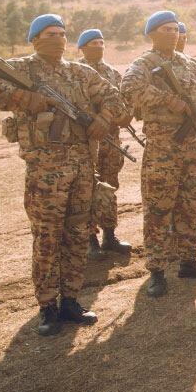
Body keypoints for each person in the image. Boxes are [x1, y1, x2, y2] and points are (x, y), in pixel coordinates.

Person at [0, 14, 125, 335]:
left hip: (82, 169)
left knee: (77, 235)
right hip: (45, 174)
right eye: (51, 33)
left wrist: (103, 118)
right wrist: (24, 97)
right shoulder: (22, 70)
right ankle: (48, 305)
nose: (59, 39)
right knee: (47, 238)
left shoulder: (79, 72)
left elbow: (117, 99)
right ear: (35, 39)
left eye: (63, 34)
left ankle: (71, 300)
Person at [121, 10, 196, 297]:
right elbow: (128, 89)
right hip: (162, 151)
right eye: (165, 29)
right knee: (158, 210)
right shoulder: (143, 64)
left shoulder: (190, 65)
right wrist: (166, 100)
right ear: (152, 34)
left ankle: (188, 261)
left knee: (189, 206)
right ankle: (157, 269)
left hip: (192, 149)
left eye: (175, 29)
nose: (172, 33)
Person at [75, 28, 134, 258]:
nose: (98, 47)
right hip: (86, 142)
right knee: (88, 189)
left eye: (101, 43)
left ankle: (110, 236)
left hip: (111, 141)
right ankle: (91, 241)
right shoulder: (75, 72)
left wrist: (123, 115)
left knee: (110, 187)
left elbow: (122, 101)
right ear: (82, 48)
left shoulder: (111, 72)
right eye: (93, 43)